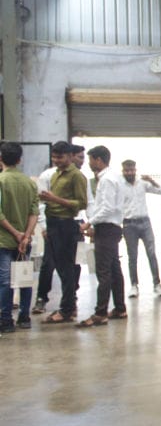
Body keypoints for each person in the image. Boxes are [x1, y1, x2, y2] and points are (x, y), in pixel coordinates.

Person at [77, 145, 128, 327]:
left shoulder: (106, 180)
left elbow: (107, 208)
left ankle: (100, 313)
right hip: (112, 228)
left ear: (98, 160)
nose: (89, 163)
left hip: (106, 228)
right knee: (114, 269)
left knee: (103, 271)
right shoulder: (114, 178)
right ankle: (120, 308)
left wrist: (89, 223)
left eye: (90, 160)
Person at [39, 140, 88, 324]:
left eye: (59, 157)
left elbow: (80, 203)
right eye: (54, 157)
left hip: (66, 226)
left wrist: (55, 199)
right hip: (53, 224)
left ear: (69, 156)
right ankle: (67, 307)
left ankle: (67, 309)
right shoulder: (56, 174)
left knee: (67, 268)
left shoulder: (76, 176)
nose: (56, 160)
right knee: (60, 268)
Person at [0, 142, 40, 332]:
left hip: (4, 240)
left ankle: (6, 320)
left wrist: (15, 233)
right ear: (19, 160)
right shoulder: (29, 183)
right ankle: (24, 317)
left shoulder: (1, 181)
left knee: (5, 281)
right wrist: (26, 235)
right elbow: (34, 211)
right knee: (24, 278)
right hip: (24, 240)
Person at [120, 159, 161, 297]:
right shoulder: (119, 185)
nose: (130, 172)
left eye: (132, 170)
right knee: (132, 256)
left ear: (135, 170)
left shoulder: (142, 184)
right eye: (127, 170)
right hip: (128, 224)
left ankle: (157, 284)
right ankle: (134, 286)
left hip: (145, 223)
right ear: (123, 171)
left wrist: (151, 180)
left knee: (151, 254)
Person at [31, 161, 58, 314]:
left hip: (73, 225)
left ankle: (70, 301)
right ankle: (41, 297)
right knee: (48, 263)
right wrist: (44, 226)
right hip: (53, 225)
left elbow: (87, 202)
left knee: (74, 265)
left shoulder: (79, 176)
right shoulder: (47, 175)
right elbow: (40, 203)